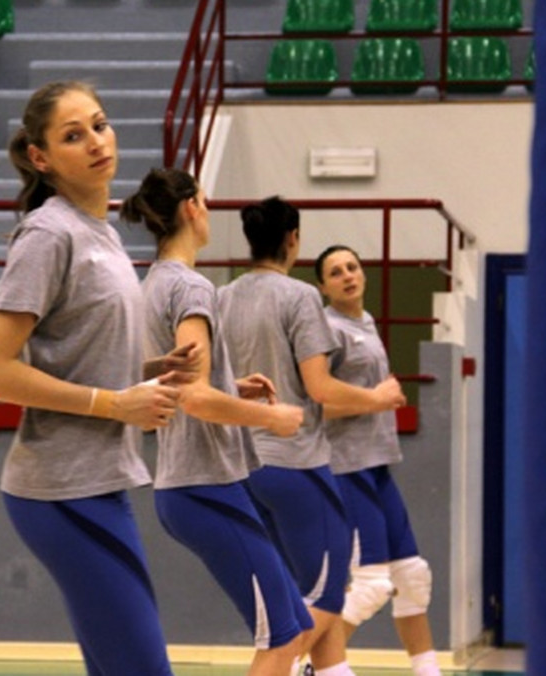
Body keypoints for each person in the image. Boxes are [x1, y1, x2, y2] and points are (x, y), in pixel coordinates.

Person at [0, 81, 183, 676]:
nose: (95, 141)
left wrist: (149, 374)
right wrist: (117, 402)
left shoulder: (105, 234)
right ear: (41, 158)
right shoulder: (49, 234)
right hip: (60, 489)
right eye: (72, 135)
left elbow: (79, 356)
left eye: (100, 124)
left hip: (99, 479)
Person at [121, 167, 313, 675]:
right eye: (205, 201)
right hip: (203, 486)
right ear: (190, 208)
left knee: (296, 626)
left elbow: (183, 380)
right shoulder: (191, 288)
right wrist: (270, 416)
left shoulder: (152, 285)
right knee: (282, 638)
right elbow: (197, 399)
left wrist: (235, 386)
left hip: (197, 486)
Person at [217, 197, 406, 676]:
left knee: (297, 595)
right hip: (297, 464)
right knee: (324, 597)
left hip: (243, 465)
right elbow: (319, 389)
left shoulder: (224, 296)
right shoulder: (299, 297)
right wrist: (378, 398)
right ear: (293, 239)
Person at [315, 245, 442, 676]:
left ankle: (428, 672)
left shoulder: (365, 323)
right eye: (336, 272)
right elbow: (315, 407)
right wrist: (375, 401)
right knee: (370, 586)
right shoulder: (327, 331)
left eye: (352, 267)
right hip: (345, 468)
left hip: (377, 465)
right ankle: (311, 664)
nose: (347, 275)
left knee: (412, 577)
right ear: (323, 286)